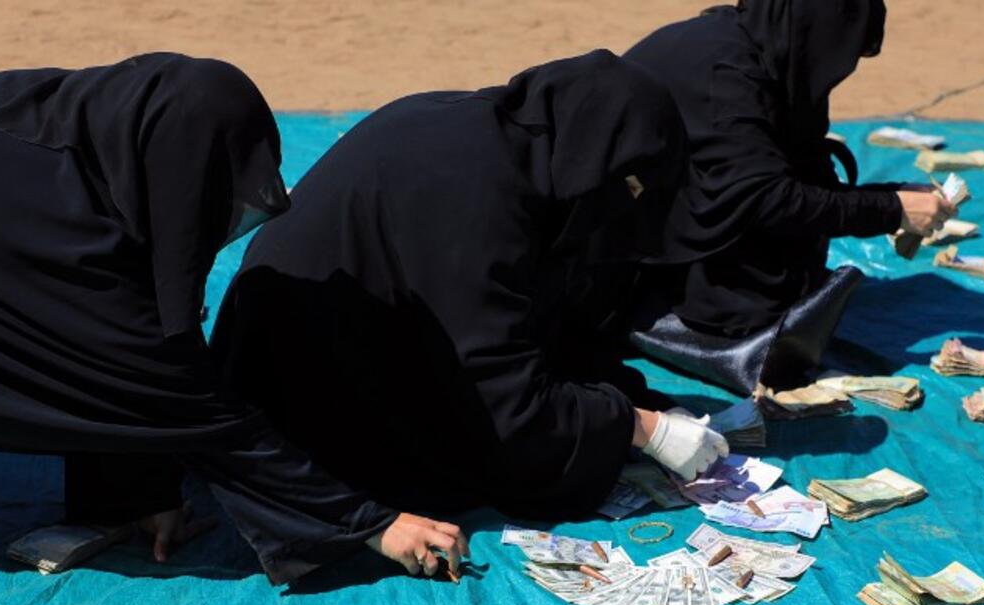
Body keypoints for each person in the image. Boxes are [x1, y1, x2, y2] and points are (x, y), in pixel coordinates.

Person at [0, 53, 466, 584]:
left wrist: (139, 492)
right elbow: (170, 385)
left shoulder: (95, 139)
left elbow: (97, 355)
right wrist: (373, 525)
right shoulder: (58, 233)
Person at [210, 50, 730, 523]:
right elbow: (498, 394)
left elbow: (538, 314)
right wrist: (638, 427)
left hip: (340, 331)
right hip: (296, 392)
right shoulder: (483, 197)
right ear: (601, 154)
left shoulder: (520, 147)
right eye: (630, 184)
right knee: (519, 470)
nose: (626, 206)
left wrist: (631, 398)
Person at [623, 0, 957, 394]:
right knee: (747, 301)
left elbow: (806, 177)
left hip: (675, 197)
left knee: (793, 254)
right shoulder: (728, 76)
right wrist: (890, 210)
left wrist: (893, 198)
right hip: (617, 232)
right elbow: (768, 199)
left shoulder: (777, 51)